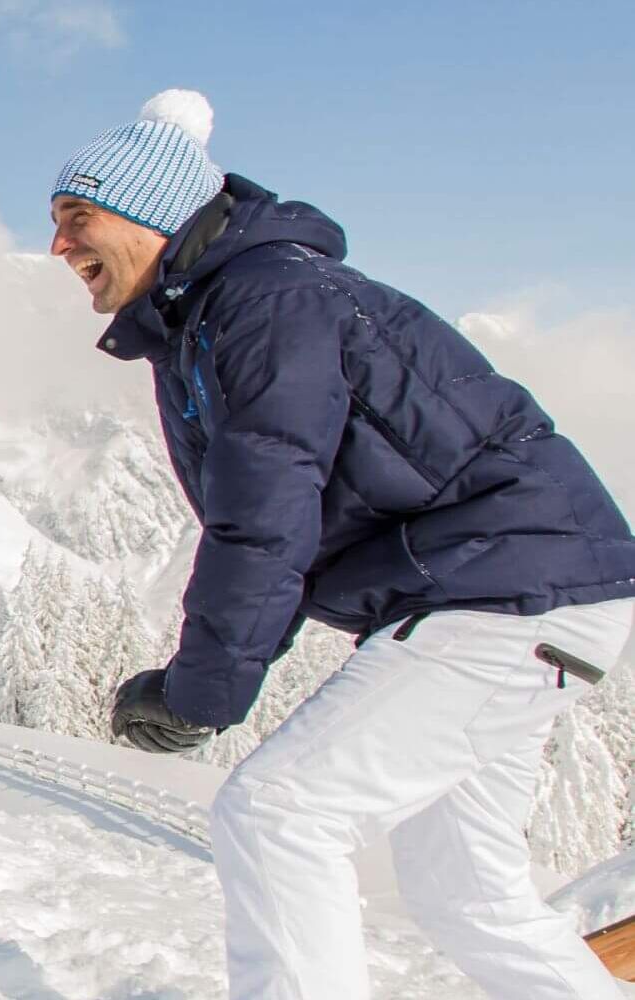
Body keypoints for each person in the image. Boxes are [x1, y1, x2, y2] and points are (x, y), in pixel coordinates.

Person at [57, 90, 635, 999]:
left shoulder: (266, 302)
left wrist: (198, 695)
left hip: (501, 592)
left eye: (78, 217)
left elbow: (266, 519)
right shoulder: (217, 313)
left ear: (152, 214)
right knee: (466, 893)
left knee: (279, 815)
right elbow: (281, 534)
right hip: (515, 591)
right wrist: (201, 684)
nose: (60, 245)